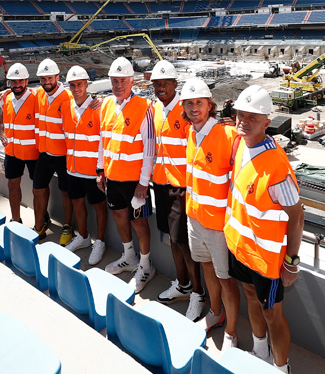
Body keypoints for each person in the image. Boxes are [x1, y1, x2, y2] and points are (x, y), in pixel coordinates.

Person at [224, 85, 304, 373]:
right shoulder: (239, 144)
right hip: (242, 249)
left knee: (273, 314)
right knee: (249, 296)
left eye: (252, 117)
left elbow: (296, 217)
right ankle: (260, 352)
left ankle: (281, 368)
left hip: (267, 260)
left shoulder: (276, 167)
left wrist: (292, 264)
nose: (243, 121)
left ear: (267, 123)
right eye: (240, 115)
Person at [182, 78, 241, 349]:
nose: (195, 108)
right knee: (207, 268)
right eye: (190, 103)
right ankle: (215, 313)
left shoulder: (227, 136)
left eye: (199, 103)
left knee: (226, 280)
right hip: (195, 219)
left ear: (210, 106)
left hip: (218, 225)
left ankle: (231, 331)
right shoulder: (190, 134)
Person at [150, 61, 205, 321]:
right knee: (172, 239)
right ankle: (183, 285)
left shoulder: (185, 114)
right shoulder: (156, 110)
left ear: (175, 85)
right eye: (157, 84)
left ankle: (197, 293)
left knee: (183, 243)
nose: (161, 88)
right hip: (161, 185)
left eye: (165, 83)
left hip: (180, 189)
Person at [96, 57, 155, 293]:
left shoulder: (144, 108)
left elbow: (149, 148)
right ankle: (129, 256)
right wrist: (101, 170)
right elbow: (104, 141)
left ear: (132, 81)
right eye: (114, 81)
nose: (118, 85)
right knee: (119, 216)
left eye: (123, 80)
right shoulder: (107, 105)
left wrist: (143, 182)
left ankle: (145, 265)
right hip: (113, 178)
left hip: (135, 182)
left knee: (139, 222)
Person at [62, 65, 108, 265]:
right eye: (72, 85)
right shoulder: (66, 107)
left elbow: (102, 141)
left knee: (98, 206)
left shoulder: (99, 108)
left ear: (86, 85)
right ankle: (83, 236)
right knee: (77, 203)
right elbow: (44, 91)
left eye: (79, 84)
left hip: (92, 171)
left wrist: (100, 169)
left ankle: (100, 241)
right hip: (72, 169)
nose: (76, 88)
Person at [34, 58, 74, 243]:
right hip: (45, 153)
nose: (46, 82)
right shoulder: (40, 95)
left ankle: (67, 225)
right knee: (38, 189)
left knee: (66, 192)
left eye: (50, 78)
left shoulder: (67, 99)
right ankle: (39, 225)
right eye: (43, 79)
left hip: (63, 155)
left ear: (58, 77)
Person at [0, 63, 38, 223]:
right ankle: (15, 220)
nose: (17, 85)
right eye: (13, 82)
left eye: (20, 81)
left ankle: (41, 220)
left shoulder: (36, 98)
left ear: (26, 81)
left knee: (39, 189)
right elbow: (2, 116)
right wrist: (1, 132)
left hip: (32, 152)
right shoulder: (6, 98)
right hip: (12, 152)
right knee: (12, 185)